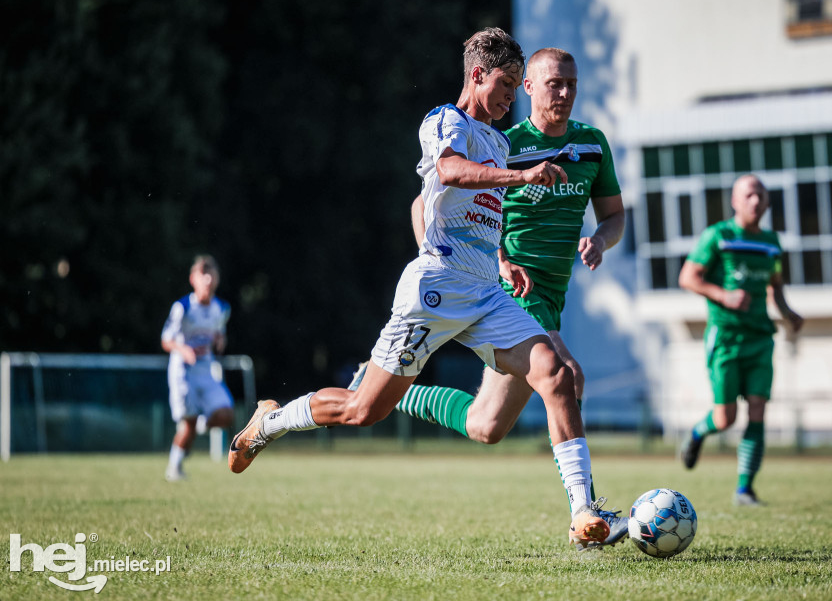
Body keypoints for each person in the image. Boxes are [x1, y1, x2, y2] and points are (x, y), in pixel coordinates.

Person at [228, 28, 619, 549]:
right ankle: (267, 424)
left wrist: (500, 261)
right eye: (504, 83)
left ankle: (583, 514)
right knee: (363, 411)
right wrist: (521, 179)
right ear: (477, 75)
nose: (509, 96)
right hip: (433, 290)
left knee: (557, 375)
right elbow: (452, 172)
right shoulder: (443, 121)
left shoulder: (501, 140)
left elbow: (480, 213)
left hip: (484, 294)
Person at [362, 47, 628, 549]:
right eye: (554, 84)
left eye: (572, 83)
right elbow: (430, 198)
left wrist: (601, 238)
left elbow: (615, 216)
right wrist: (485, 259)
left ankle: (396, 391)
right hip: (504, 292)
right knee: (565, 375)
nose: (565, 93)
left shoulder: (592, 146)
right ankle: (588, 516)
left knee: (486, 426)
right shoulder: (504, 144)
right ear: (527, 86)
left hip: (553, 297)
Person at [678, 175, 803, 506]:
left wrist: (789, 314)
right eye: (748, 195)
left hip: (761, 337)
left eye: (761, 195)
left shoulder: (772, 242)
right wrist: (724, 296)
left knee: (759, 409)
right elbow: (688, 277)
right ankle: (697, 433)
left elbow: (775, 285)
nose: (755, 201)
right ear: (734, 201)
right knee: (725, 418)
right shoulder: (718, 236)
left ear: (767, 202)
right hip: (726, 337)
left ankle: (744, 489)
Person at [160, 255, 234, 481]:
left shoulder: (221, 308)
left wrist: (221, 340)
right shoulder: (182, 307)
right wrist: (184, 350)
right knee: (188, 425)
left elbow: (218, 333)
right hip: (182, 372)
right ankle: (174, 468)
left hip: (206, 370)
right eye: (204, 274)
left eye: (212, 274)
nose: (209, 279)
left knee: (226, 415)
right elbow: (166, 340)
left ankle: (202, 425)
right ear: (193, 279)